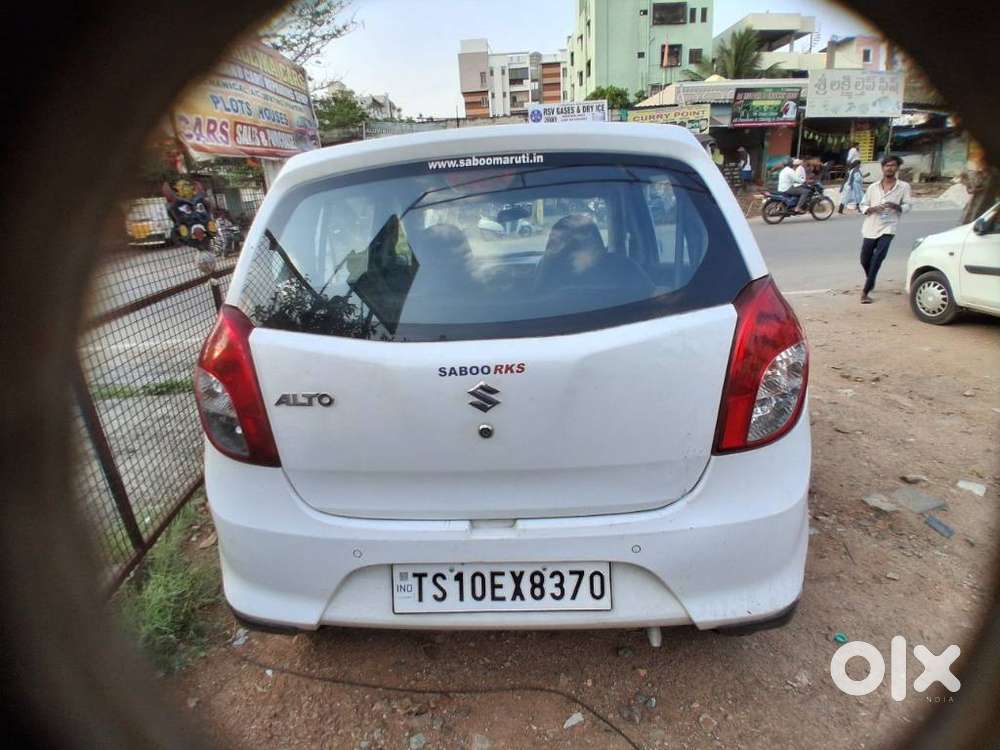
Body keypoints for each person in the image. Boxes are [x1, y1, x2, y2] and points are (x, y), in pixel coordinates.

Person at [858, 155, 911, 304]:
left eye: (893, 165)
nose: (890, 168)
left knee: (877, 258)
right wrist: (872, 208)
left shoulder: (903, 187)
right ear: (882, 168)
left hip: (889, 227)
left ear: (897, 168)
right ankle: (871, 278)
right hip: (870, 226)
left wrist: (897, 206)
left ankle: (865, 292)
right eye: (887, 165)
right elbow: (863, 205)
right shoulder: (873, 187)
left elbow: (908, 205)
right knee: (864, 259)